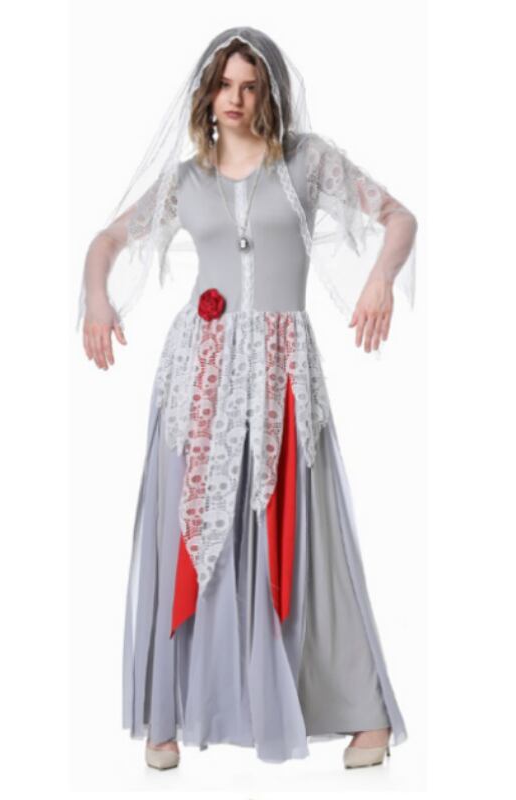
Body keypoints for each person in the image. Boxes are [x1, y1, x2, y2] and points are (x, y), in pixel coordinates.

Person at [78, 26, 417, 770]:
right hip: (198, 374)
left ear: (269, 92)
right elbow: (107, 242)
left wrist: (380, 279)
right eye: (224, 85)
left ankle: (361, 713)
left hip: (280, 369)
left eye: (249, 86)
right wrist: (97, 300)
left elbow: (399, 217)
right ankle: (170, 712)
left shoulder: (307, 162)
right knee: (189, 532)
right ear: (207, 94)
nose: (234, 99)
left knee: (299, 534)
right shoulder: (186, 181)